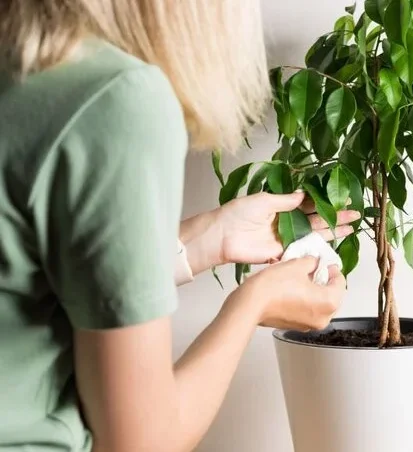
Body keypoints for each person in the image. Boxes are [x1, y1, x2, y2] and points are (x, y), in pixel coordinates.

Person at [0, 1, 358, 451]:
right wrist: (252, 304)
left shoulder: (22, 66)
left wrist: (208, 239)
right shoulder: (113, 98)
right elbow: (141, 443)